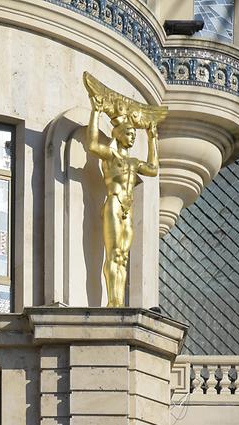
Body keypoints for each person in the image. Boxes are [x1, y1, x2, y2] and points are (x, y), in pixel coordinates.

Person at [86, 96, 159, 308]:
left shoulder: (133, 162)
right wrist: (96, 113)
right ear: (118, 135)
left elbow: (153, 169)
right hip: (114, 202)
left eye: (134, 134)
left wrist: (152, 138)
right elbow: (92, 144)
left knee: (123, 257)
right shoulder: (111, 156)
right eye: (129, 133)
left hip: (128, 207)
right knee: (113, 253)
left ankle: (117, 301)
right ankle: (113, 301)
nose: (132, 137)